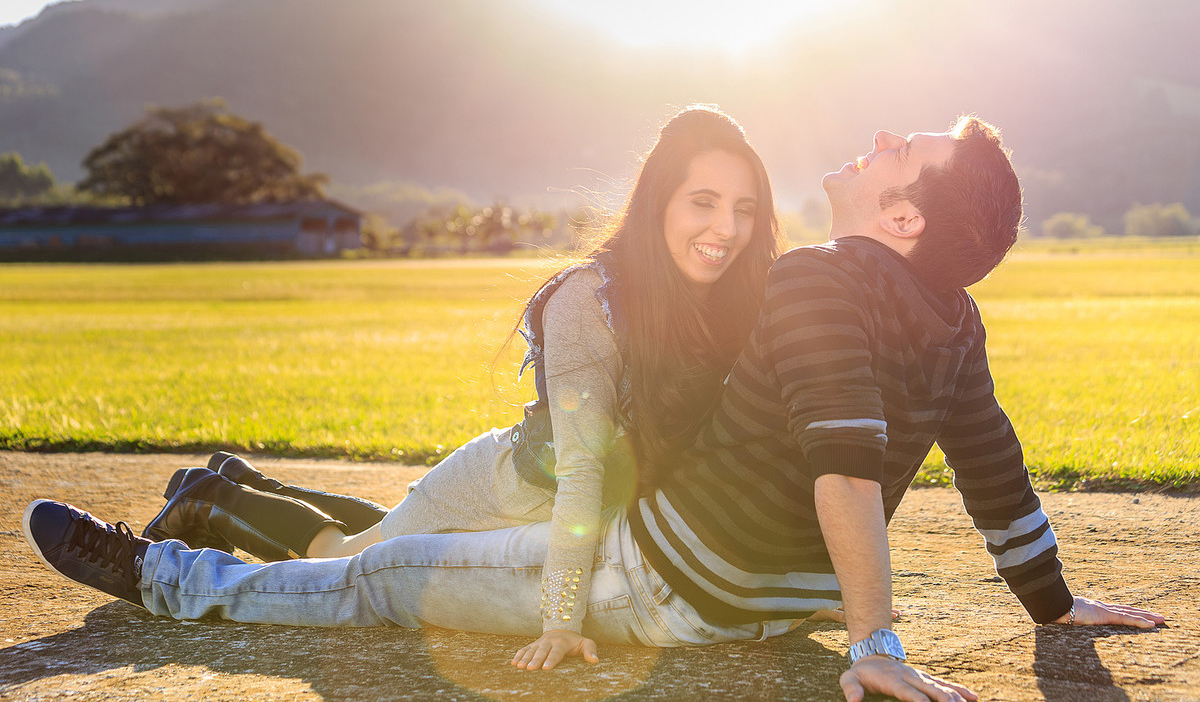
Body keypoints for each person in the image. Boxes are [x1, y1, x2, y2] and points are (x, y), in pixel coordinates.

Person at [24, 115, 1164, 701]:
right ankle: (222, 509)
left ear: (905, 217)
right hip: (762, 601)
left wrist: (877, 641)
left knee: (375, 575)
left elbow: (845, 459)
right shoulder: (950, 320)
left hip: (661, 580)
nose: (874, 145)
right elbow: (991, 464)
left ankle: (164, 575)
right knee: (403, 538)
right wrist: (1052, 603)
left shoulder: (823, 277)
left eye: (897, 150)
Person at [120, 104, 783, 668]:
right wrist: (560, 619)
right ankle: (213, 500)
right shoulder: (593, 297)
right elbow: (582, 472)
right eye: (703, 202)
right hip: (505, 492)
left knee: (381, 533)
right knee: (346, 555)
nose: (726, 228)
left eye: (744, 209)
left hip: (567, 503)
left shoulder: (725, 304)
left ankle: (251, 487)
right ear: (658, 201)